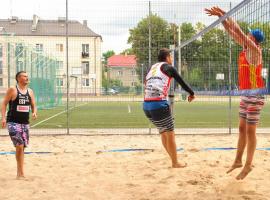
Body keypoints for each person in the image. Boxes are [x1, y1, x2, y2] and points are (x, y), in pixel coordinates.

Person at [205, 7, 265, 180]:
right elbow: (231, 31)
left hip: (256, 95)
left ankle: (248, 165)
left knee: (250, 131)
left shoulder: (255, 50)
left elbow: (237, 30)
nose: (247, 36)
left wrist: (224, 12)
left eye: (250, 35)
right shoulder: (246, 48)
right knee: (241, 128)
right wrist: (221, 18)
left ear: (254, 39)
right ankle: (238, 160)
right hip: (246, 94)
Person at [143, 48, 195, 168]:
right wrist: (191, 93)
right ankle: (175, 162)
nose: (171, 59)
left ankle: (173, 160)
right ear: (167, 57)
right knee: (170, 134)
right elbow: (182, 82)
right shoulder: (168, 68)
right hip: (159, 105)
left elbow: (146, 84)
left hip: (146, 106)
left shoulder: (152, 68)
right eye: (171, 57)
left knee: (163, 133)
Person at [1, 71, 37, 179]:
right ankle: (19, 173)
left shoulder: (30, 91)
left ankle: (21, 173)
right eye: (24, 76)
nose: (27, 78)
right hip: (13, 122)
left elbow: (34, 105)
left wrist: (34, 112)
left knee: (22, 148)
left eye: (27, 76)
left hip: (25, 124)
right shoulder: (13, 89)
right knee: (19, 146)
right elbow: (4, 103)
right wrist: (3, 118)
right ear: (18, 78)